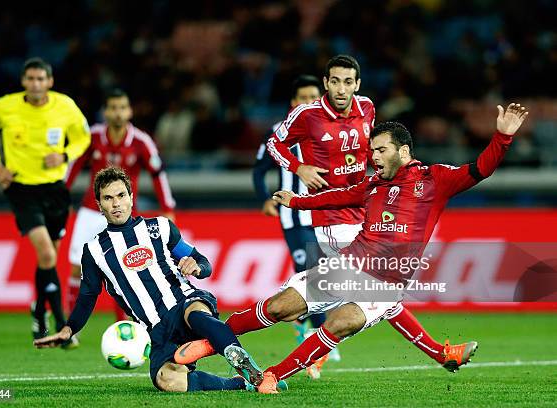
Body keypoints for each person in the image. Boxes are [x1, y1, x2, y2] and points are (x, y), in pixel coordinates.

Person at [175, 103, 528, 393]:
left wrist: (503, 136)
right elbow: (339, 196)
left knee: (342, 321)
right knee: (280, 307)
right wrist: (297, 202)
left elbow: (480, 168)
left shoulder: (434, 179)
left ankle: (273, 375)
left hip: (386, 284)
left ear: (403, 151)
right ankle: (210, 342)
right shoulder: (372, 184)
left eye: (381, 149)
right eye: (372, 149)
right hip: (347, 266)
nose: (374, 156)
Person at [265, 54, 456, 366]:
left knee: (379, 291)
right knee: (380, 290)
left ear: (358, 84)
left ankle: (306, 329)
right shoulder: (308, 115)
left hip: (364, 205)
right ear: (326, 83)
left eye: (348, 82)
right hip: (331, 213)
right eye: (335, 81)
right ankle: (437, 352)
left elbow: (372, 149)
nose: (342, 88)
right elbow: (275, 144)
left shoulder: (366, 107)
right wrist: (299, 168)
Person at [33, 167, 287, 393]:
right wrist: (68, 330)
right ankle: (240, 384)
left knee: (197, 314)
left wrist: (196, 266)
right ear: (99, 205)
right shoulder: (94, 251)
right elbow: (87, 297)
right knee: (167, 380)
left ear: (132, 198)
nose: (116, 204)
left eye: (121, 196)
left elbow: (203, 262)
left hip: (184, 302)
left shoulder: (160, 227)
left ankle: (250, 371)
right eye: (108, 198)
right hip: (156, 330)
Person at [0, 57, 91, 345]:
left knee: (47, 258)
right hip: (22, 189)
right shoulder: (5, 106)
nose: (36, 84)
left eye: (41, 79)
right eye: (31, 79)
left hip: (55, 189)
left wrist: (64, 155)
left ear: (49, 82)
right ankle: (63, 325)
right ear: (24, 81)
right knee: (48, 255)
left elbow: (82, 138)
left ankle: (39, 313)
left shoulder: (64, 106)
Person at [65, 88, 176, 327]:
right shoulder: (92, 136)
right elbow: (72, 167)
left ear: (130, 111)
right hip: (90, 210)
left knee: (124, 268)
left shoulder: (141, 141)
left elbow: (158, 174)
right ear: (106, 111)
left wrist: (167, 207)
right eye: (113, 108)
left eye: (122, 108)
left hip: (123, 215)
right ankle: (70, 327)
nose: (118, 113)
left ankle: (126, 323)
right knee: (77, 268)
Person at [252, 74, 328, 378]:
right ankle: (317, 344)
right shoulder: (278, 133)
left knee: (322, 275)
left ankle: (305, 327)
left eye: (315, 96)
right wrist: (265, 199)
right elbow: (259, 170)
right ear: (293, 103)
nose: (311, 102)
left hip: (324, 217)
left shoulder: (330, 129)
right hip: (293, 217)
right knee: (316, 274)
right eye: (304, 97)